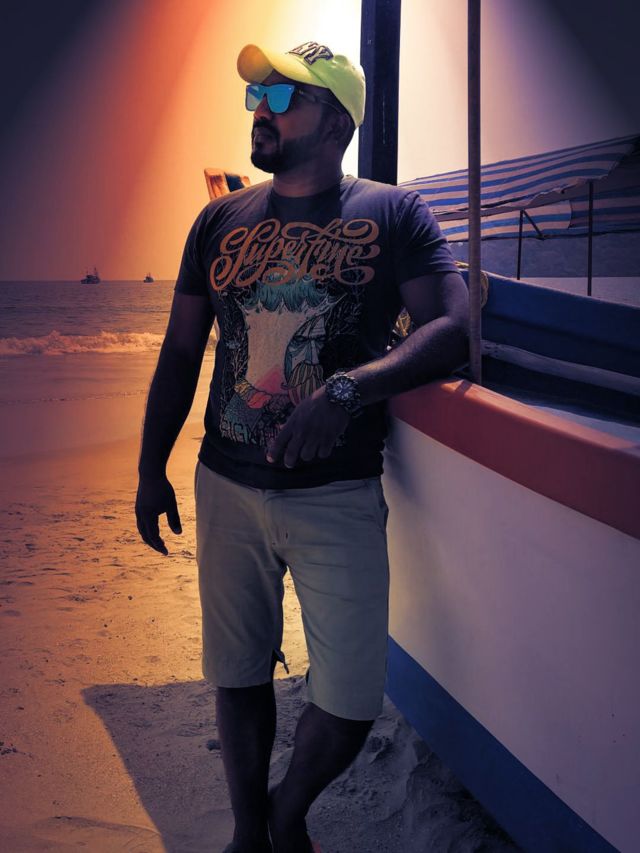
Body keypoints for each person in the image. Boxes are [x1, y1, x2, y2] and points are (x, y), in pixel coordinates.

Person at [135, 40, 468, 853]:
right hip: (226, 483)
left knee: (350, 700)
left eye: (284, 98)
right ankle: (253, 833)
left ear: (337, 121)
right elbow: (181, 352)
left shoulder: (394, 213)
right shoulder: (218, 220)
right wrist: (150, 467)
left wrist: (347, 389)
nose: (261, 111)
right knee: (238, 672)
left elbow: (452, 329)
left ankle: (287, 813)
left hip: (338, 491)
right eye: (258, 97)